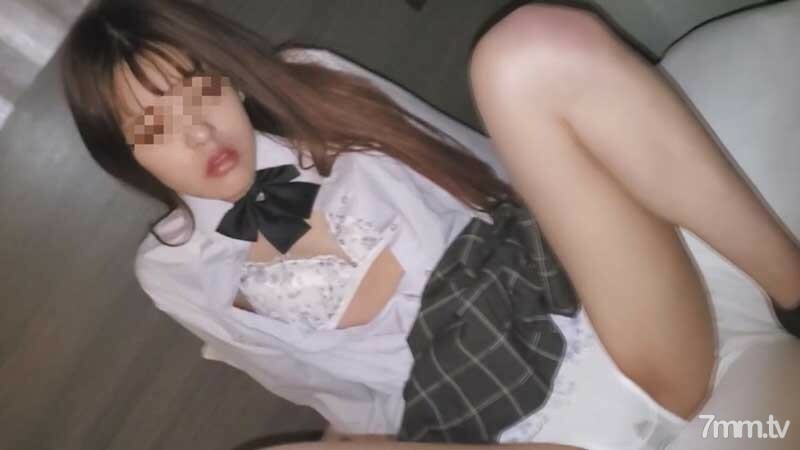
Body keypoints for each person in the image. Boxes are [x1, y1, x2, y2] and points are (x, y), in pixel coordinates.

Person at [59, 0, 800, 449]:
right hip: (476, 419)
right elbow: (313, 385)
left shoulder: (314, 82)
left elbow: (478, 169)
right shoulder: (174, 272)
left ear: (227, 76)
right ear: (126, 156)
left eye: (197, 90)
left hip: (582, 313)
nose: (197, 132)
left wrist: (585, 197)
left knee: (525, 48)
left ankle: (793, 284)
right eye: (153, 127)